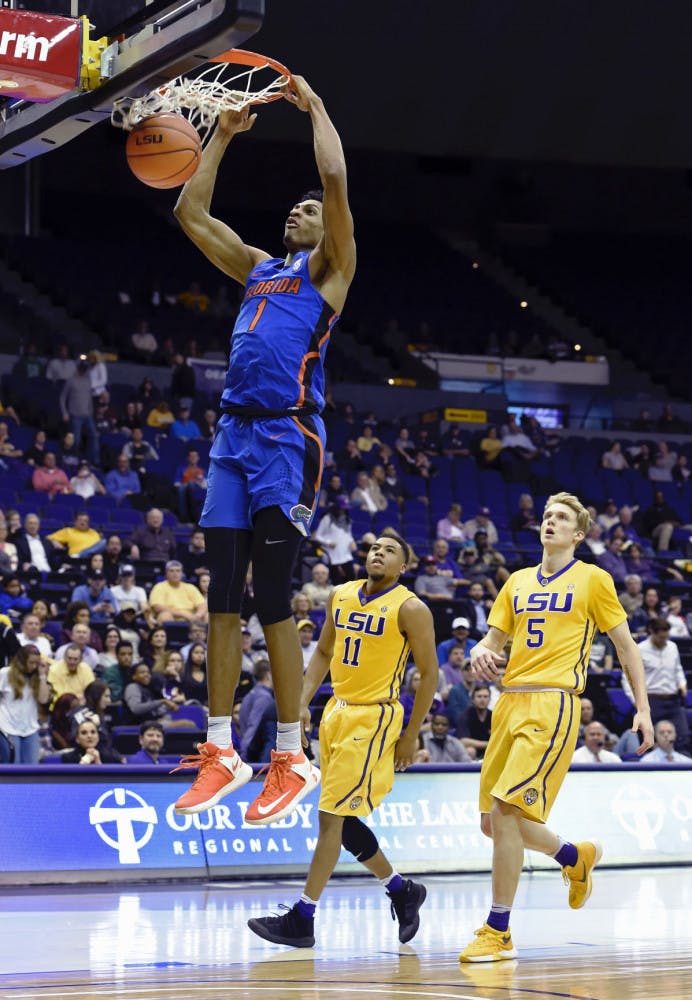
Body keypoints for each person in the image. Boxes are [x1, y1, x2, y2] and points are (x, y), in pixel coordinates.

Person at [170, 77, 356, 824]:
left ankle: (291, 753)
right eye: (296, 206)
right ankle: (221, 749)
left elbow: (336, 177)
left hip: (288, 436)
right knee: (221, 592)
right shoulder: (256, 269)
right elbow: (188, 210)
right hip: (232, 435)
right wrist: (221, 134)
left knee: (272, 595)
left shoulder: (330, 273)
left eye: (309, 210)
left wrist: (316, 108)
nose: (299, 210)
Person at [459, 491, 654, 963]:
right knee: (492, 824)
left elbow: (627, 648)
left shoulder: (593, 579)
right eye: (547, 516)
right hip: (509, 701)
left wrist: (643, 709)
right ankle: (574, 856)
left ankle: (498, 930)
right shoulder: (517, 582)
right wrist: (478, 652)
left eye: (562, 517)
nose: (551, 522)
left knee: (506, 811)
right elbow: (490, 641)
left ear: (579, 534)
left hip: (554, 702)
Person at [247, 531, 437, 948]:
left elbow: (430, 675)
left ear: (403, 566)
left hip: (374, 717)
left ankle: (303, 917)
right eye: (374, 548)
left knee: (331, 818)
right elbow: (321, 654)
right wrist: (301, 700)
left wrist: (411, 736)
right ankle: (402, 890)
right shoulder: (341, 594)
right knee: (340, 819)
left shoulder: (411, 608)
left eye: (390, 551)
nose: (378, 554)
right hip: (336, 710)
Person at [622, 617, 689, 754]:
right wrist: (636, 701)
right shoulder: (639, 650)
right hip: (651, 700)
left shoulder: (672, 647)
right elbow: (627, 677)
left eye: (666, 637)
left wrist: (682, 684)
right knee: (649, 740)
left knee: (683, 738)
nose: (663, 640)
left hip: (672, 700)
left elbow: (677, 669)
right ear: (651, 631)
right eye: (660, 637)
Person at [0, 645, 50, 763]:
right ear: (22, 661)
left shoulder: (38, 676)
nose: (33, 666)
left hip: (30, 729)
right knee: (13, 769)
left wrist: (43, 675)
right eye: (31, 662)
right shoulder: (5, 673)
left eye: (36, 663)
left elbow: (43, 700)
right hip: (8, 727)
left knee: (32, 771)